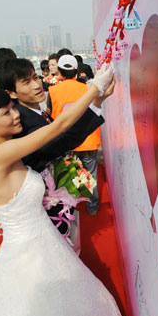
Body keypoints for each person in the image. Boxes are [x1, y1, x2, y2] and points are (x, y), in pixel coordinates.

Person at [0, 67, 130, 316]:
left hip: (45, 242)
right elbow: (57, 128)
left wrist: (97, 101)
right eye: (5, 113)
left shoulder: (6, 146)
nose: (15, 115)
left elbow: (57, 141)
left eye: (11, 108)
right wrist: (92, 87)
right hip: (28, 253)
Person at [0, 57, 109, 234]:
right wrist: (96, 98)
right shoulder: (22, 121)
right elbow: (62, 139)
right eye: (26, 82)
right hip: (46, 203)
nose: (36, 84)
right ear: (11, 93)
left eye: (35, 77)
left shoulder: (33, 111)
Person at [48, 55, 102, 215]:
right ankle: (92, 208)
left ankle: (69, 207)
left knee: (66, 174)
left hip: (65, 141)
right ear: (77, 71)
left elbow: (50, 115)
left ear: (60, 72)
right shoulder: (87, 89)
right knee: (90, 174)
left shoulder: (52, 91)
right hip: (88, 139)